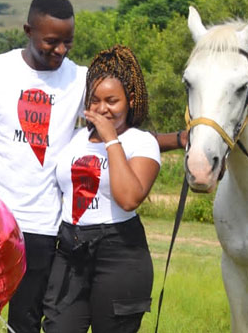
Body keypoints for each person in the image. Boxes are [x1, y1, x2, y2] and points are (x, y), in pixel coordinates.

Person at [0, 0, 186, 333]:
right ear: (28, 30)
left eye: (68, 42)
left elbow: (122, 131)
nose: (61, 50)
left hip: (42, 228)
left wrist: (181, 140)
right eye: (52, 42)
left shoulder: (82, 81)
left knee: (25, 323)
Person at [42, 45, 160, 333]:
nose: (102, 108)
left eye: (112, 100)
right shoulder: (72, 138)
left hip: (119, 251)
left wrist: (110, 139)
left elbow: (129, 198)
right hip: (70, 249)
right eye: (95, 100)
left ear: (130, 100)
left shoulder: (141, 143)